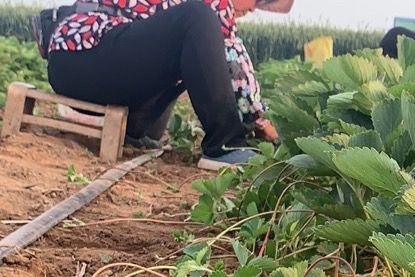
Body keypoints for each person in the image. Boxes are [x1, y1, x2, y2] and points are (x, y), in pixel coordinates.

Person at [43, 0, 292, 170]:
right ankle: (223, 145)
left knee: (191, 51)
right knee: (197, 18)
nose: (253, 9)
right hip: (83, 55)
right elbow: (233, 62)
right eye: (257, 1)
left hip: (79, 65)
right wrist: (261, 123)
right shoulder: (215, 4)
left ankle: (134, 131)